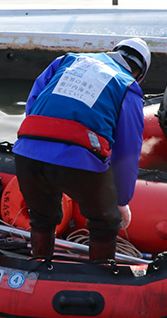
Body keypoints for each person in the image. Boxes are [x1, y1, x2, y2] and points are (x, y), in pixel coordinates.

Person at [12, 38, 150, 262]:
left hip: (28, 151)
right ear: (140, 74)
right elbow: (128, 150)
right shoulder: (128, 86)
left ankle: (39, 267)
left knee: (41, 218)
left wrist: (41, 144)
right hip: (81, 160)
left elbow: (33, 102)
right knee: (105, 223)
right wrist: (121, 200)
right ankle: (100, 278)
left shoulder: (66, 60)